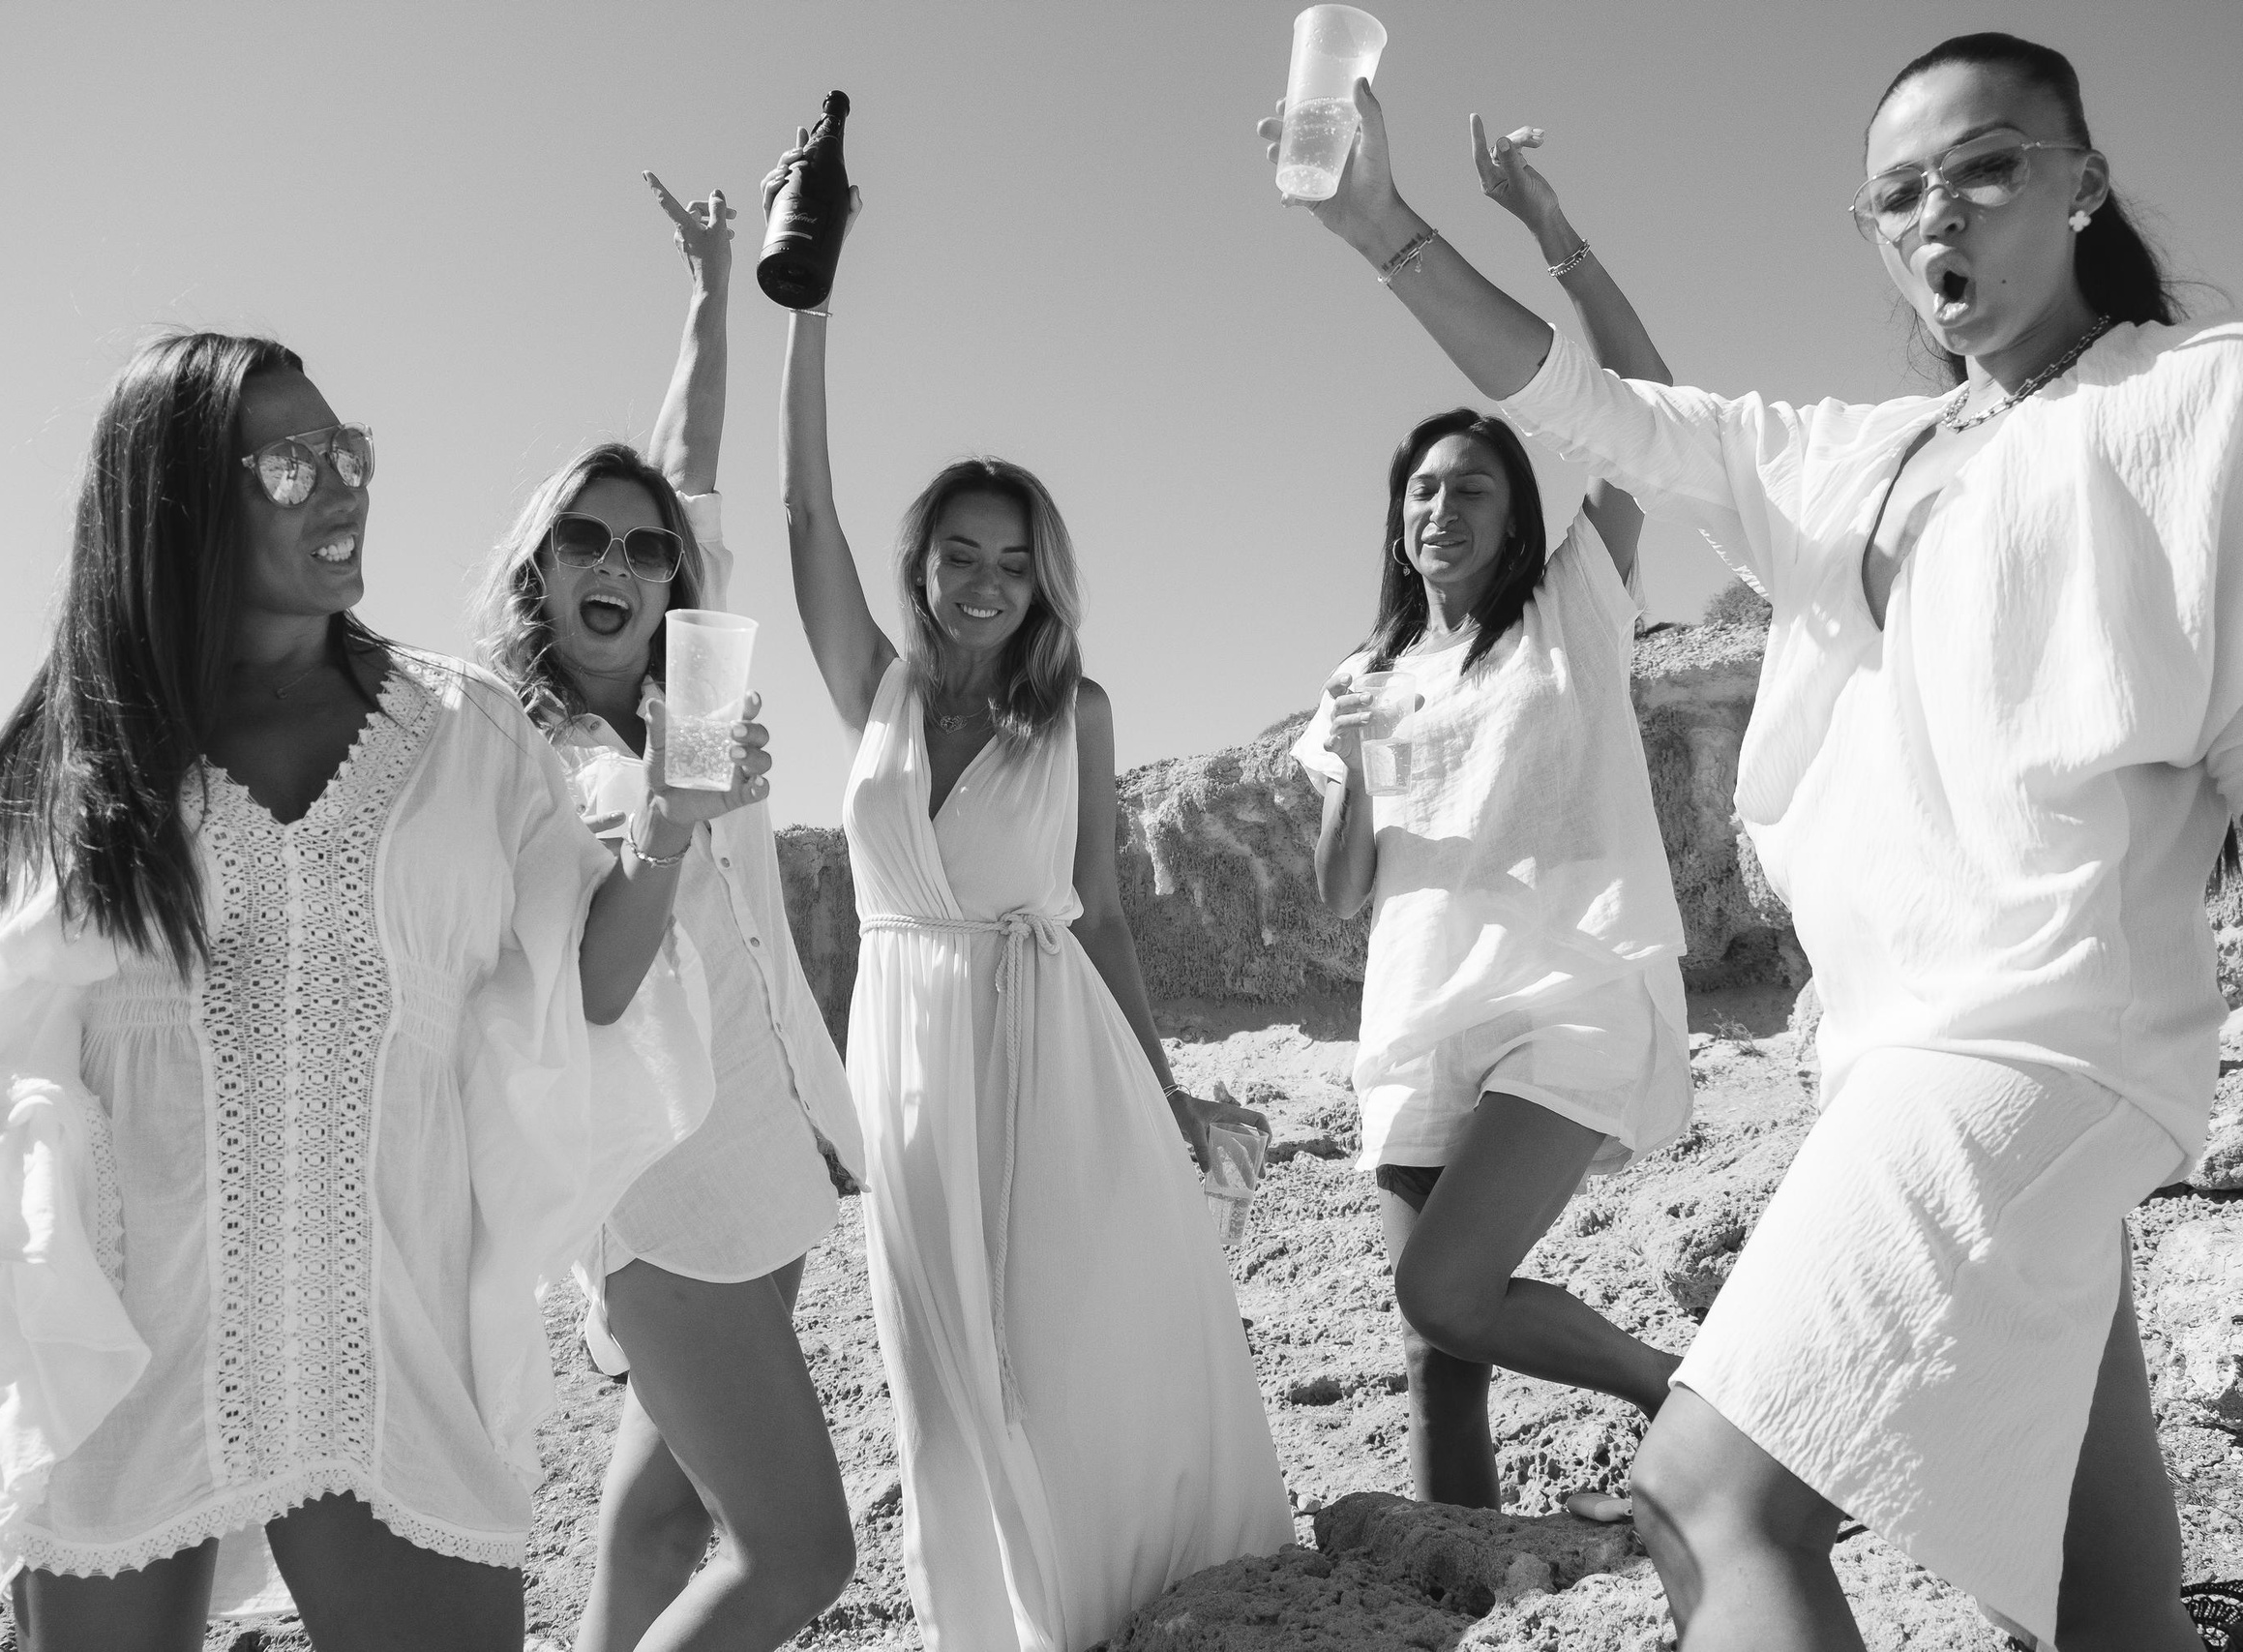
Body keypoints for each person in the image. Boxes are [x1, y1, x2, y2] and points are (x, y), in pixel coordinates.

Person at [1262, 29, 2237, 1652]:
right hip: (1892, 1040)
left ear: (2082, 187)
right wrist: (1381, 229)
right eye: (1900, 193)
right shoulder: (1852, 457)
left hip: (2030, 1039)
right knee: (2089, 1503)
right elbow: (1598, 403)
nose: (1946, 214)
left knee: (1710, 1504)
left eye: (1991, 166)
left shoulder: (2190, 401)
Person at [0, 331, 729, 1651]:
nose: (347, 488)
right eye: (296, 464)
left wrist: (670, 829)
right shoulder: (94, 746)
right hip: (126, 1337)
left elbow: (584, 991)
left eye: (353, 452)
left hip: (384, 1345)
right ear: (180, 505)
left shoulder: (470, 732)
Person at [773, 160, 1292, 1651]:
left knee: (1073, 1335)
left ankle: (1119, 1592)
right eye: (960, 555)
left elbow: (1107, 914)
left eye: (1014, 561)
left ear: (1040, 580)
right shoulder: (864, 686)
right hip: (907, 1037)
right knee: (937, 1348)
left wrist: (1169, 1088)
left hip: (1052, 1036)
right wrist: (812, 300)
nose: (986, 581)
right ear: (921, 566)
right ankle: (995, 1621)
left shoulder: (1083, 712)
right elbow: (801, 498)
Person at [468, 172, 865, 1652]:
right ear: (540, 567)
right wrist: (672, 827)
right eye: (587, 540)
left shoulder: (682, 691)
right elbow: (587, 994)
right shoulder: (517, 756)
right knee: (803, 1556)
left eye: (644, 549)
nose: (623, 564)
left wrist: (710, 283)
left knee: (661, 1515)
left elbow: (685, 460)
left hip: (765, 1137)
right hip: (663, 1191)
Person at [1294, 121, 1691, 1515]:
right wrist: (1344, 769)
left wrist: (1552, 233)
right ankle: (1462, 1576)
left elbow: (1649, 404)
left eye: (1469, 484)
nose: (1438, 504)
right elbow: (1343, 893)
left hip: (1564, 986)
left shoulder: (1573, 607)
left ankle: (1677, 1400)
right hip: (1417, 1010)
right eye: (1419, 488)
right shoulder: (1363, 677)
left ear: (1515, 511)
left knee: (1444, 1284)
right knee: (1435, 1348)